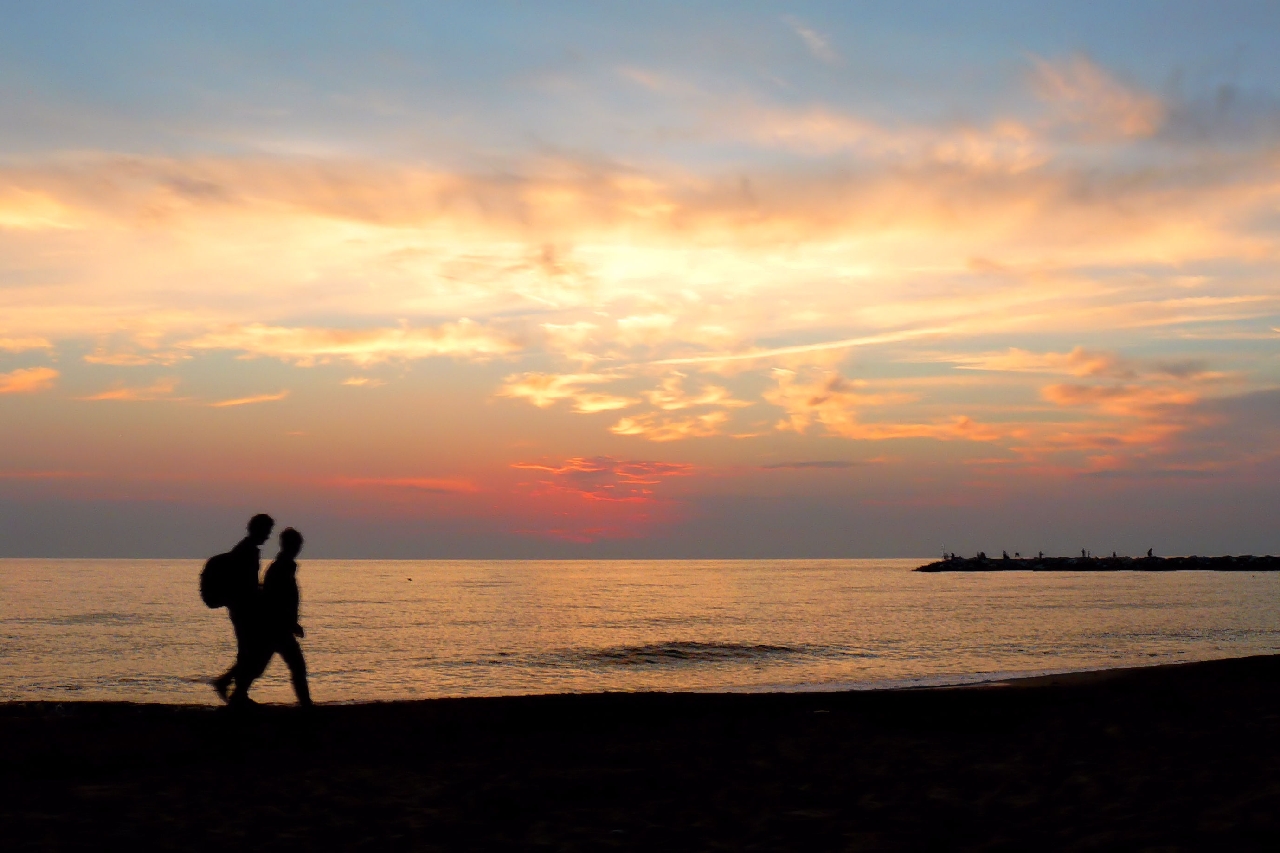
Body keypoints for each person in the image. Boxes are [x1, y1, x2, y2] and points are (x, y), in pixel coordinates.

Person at [245, 528, 313, 706]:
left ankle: (236, 692)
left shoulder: (283, 567)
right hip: (277, 627)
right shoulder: (281, 568)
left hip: (276, 626)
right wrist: (290, 623)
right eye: (297, 544)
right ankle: (305, 703)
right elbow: (278, 599)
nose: (299, 548)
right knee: (296, 665)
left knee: (258, 665)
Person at [212, 513, 273, 705]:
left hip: (241, 608)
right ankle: (233, 689)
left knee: (249, 652)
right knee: (252, 653)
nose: (268, 536)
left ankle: (235, 689)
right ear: (259, 530)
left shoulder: (243, 549)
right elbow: (247, 585)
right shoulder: (247, 552)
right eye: (267, 531)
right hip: (244, 609)